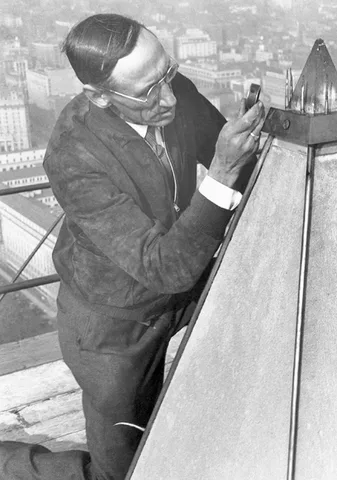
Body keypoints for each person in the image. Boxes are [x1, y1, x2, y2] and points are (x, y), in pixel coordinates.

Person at [0, 13, 264, 480]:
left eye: (168, 74)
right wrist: (222, 173)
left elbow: (231, 157)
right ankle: (13, 464)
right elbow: (163, 266)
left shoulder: (166, 88)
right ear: (98, 96)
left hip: (180, 284)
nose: (169, 97)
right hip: (114, 326)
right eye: (148, 91)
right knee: (120, 474)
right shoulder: (71, 154)